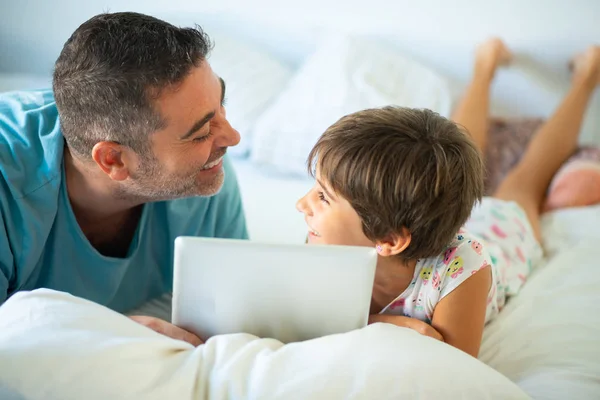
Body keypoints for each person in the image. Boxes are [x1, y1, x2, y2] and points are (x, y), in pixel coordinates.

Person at [296, 39, 600, 357]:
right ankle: (485, 67)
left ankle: (587, 76)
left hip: (501, 234)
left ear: (387, 239)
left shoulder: (466, 272)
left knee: (525, 183)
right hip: (426, 225)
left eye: (323, 197)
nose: (302, 205)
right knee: (452, 158)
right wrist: (380, 322)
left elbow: (454, 365)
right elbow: (307, 317)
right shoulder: (325, 240)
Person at [0, 12, 247, 346]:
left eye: (222, 106)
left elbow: (235, 316)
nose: (231, 138)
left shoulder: (205, 174)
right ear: (113, 159)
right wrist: (105, 338)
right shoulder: (9, 192)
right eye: (201, 131)